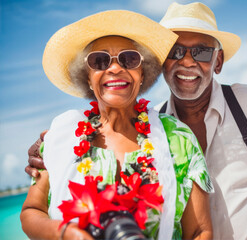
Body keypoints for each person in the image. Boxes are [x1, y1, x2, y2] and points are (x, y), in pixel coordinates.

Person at [26, 2, 247, 239]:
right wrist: (50, 151)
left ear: (218, 61)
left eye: (202, 52)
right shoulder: (154, 130)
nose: (188, 62)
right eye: (176, 52)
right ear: (161, 65)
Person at [20, 10, 214, 240]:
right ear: (88, 78)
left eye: (129, 59)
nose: (114, 68)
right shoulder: (63, 134)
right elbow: (32, 211)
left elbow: (199, 231)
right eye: (99, 61)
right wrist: (65, 234)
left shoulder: (178, 137)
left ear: (142, 74)